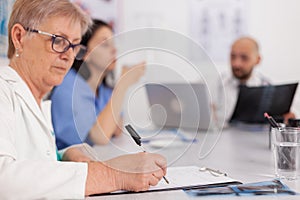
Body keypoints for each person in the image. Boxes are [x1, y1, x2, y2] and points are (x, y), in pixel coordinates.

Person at [0, 0, 166, 199]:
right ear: (20, 37)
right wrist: (113, 175)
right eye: (58, 40)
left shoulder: (36, 97)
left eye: (74, 46)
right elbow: (4, 179)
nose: (68, 56)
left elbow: (29, 158)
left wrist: (65, 155)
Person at [51, 19, 145, 149]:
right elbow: (100, 137)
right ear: (84, 53)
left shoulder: (103, 88)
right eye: (105, 44)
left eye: (113, 43)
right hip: (70, 165)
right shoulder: (69, 87)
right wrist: (122, 84)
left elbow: (117, 128)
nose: (114, 50)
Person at [214, 37, 295, 124]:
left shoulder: (268, 87)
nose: (236, 64)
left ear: (257, 60)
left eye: (244, 58)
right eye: (233, 56)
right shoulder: (215, 83)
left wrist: (289, 118)